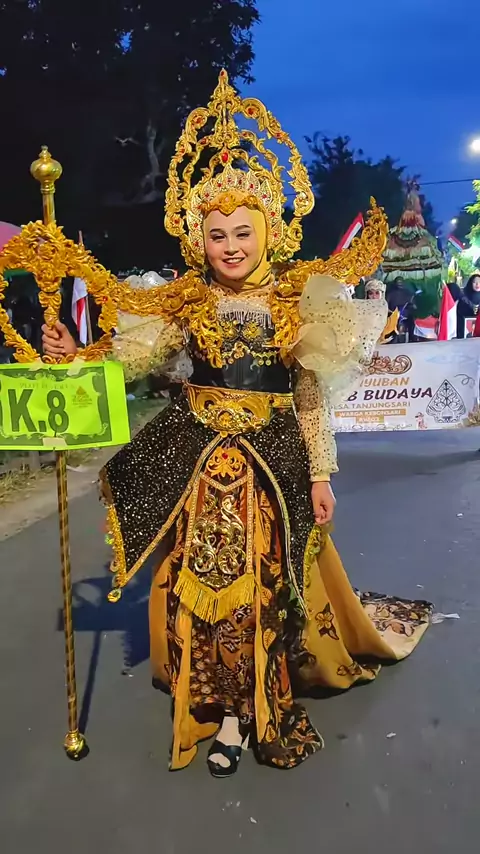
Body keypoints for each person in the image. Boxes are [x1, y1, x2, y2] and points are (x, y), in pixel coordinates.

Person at [42, 71, 431, 776]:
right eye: (217, 234)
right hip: (199, 463)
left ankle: (250, 709)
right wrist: (75, 354)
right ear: (200, 239)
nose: (230, 246)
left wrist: (321, 475)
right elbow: (135, 357)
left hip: (270, 467)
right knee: (201, 590)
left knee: (260, 590)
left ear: (268, 231)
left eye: (242, 232)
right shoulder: (188, 299)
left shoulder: (295, 300)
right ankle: (220, 709)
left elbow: (308, 395)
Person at [454, 274, 480, 338]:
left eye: (479, 282)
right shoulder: (463, 296)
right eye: (474, 282)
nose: (477, 284)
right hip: (462, 334)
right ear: (470, 283)